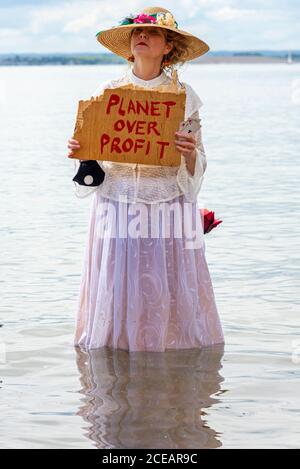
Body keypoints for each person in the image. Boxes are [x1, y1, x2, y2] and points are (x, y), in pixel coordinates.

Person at [67, 6, 225, 352]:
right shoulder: (109, 90)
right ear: (129, 44)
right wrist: (82, 149)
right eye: (137, 32)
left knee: (165, 280)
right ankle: (117, 348)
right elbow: (93, 162)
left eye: (152, 33)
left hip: (168, 200)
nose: (142, 36)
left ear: (168, 46)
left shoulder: (184, 98)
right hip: (118, 200)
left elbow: (200, 160)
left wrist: (189, 152)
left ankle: (169, 358)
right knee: (118, 278)